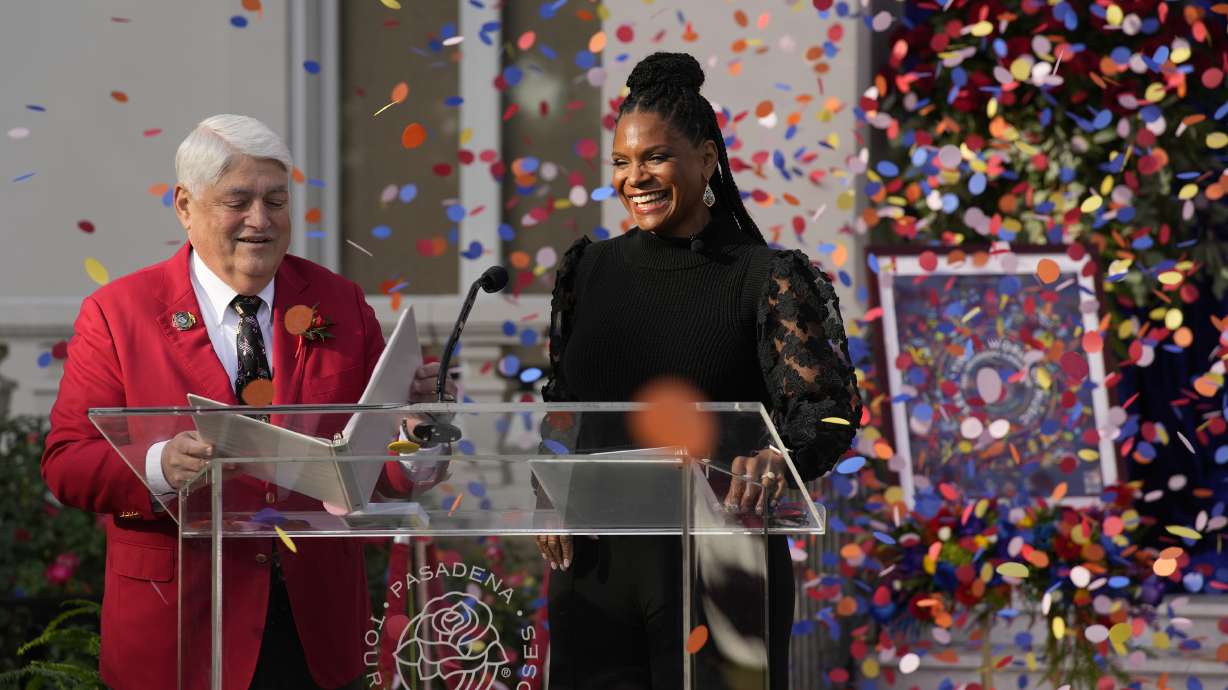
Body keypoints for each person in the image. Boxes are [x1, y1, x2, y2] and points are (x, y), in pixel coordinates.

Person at [41, 114, 450, 690]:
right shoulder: (117, 313)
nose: (261, 220)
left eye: (276, 201)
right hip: (179, 627)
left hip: (316, 626)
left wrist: (416, 433)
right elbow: (66, 462)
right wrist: (160, 466)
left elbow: (383, 472)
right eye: (239, 201)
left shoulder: (341, 303)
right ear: (185, 206)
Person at [534, 53, 862, 689]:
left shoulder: (767, 278)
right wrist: (548, 490)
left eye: (656, 157)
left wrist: (779, 456)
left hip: (722, 564)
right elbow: (566, 405)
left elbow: (828, 410)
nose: (635, 178)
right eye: (622, 162)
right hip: (594, 570)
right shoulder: (587, 271)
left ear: (707, 159)